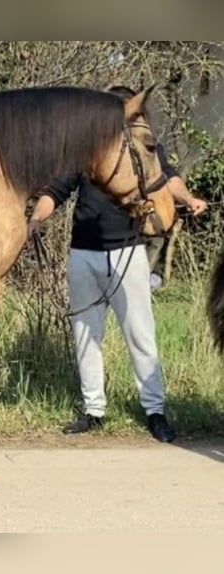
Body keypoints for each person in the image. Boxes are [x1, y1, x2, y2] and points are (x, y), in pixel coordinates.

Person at [27, 85, 208, 443]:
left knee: (140, 334)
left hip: (128, 251)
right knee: (85, 334)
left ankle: (155, 411)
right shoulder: (84, 150)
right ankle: (94, 410)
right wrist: (33, 221)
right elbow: (55, 192)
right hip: (84, 253)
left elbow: (167, 178)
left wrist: (188, 198)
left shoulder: (140, 149)